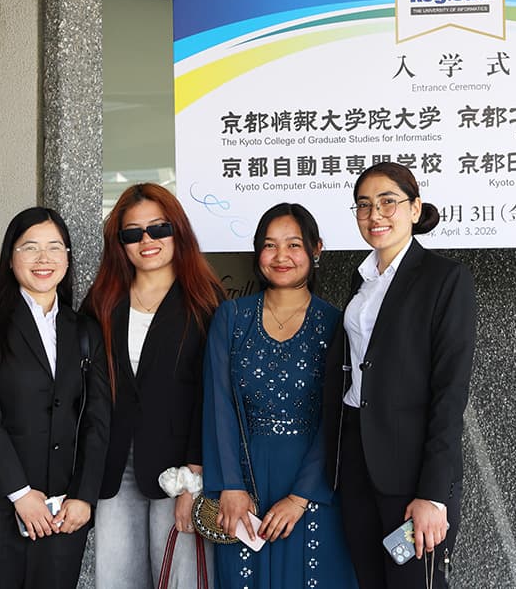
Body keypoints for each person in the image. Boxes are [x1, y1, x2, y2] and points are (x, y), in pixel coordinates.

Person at [323, 162, 477, 589]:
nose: (376, 215)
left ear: (415, 208)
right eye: (364, 205)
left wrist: (433, 493)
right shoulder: (361, 279)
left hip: (410, 470)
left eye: (389, 201)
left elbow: (450, 392)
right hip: (356, 460)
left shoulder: (444, 279)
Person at [0, 207, 111, 589]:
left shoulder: (85, 330)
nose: (44, 258)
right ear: (10, 258)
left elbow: (97, 419)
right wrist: (21, 494)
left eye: (56, 247)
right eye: (30, 248)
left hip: (63, 514)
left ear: (68, 258)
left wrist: (84, 497)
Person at [202, 203, 358, 589]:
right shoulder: (231, 317)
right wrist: (230, 486)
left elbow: (337, 418)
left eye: (294, 245)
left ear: (315, 249)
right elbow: (217, 406)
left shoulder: (337, 323)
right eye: (270, 246)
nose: (281, 256)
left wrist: (301, 497)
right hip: (244, 481)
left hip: (315, 481)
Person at [84, 183, 223, 588]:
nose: (147, 241)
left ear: (177, 231)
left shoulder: (205, 300)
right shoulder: (103, 301)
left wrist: (193, 479)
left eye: (158, 229)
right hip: (115, 467)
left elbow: (210, 396)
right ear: (120, 243)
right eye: (133, 233)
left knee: (181, 578)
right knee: (117, 578)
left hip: (178, 467)